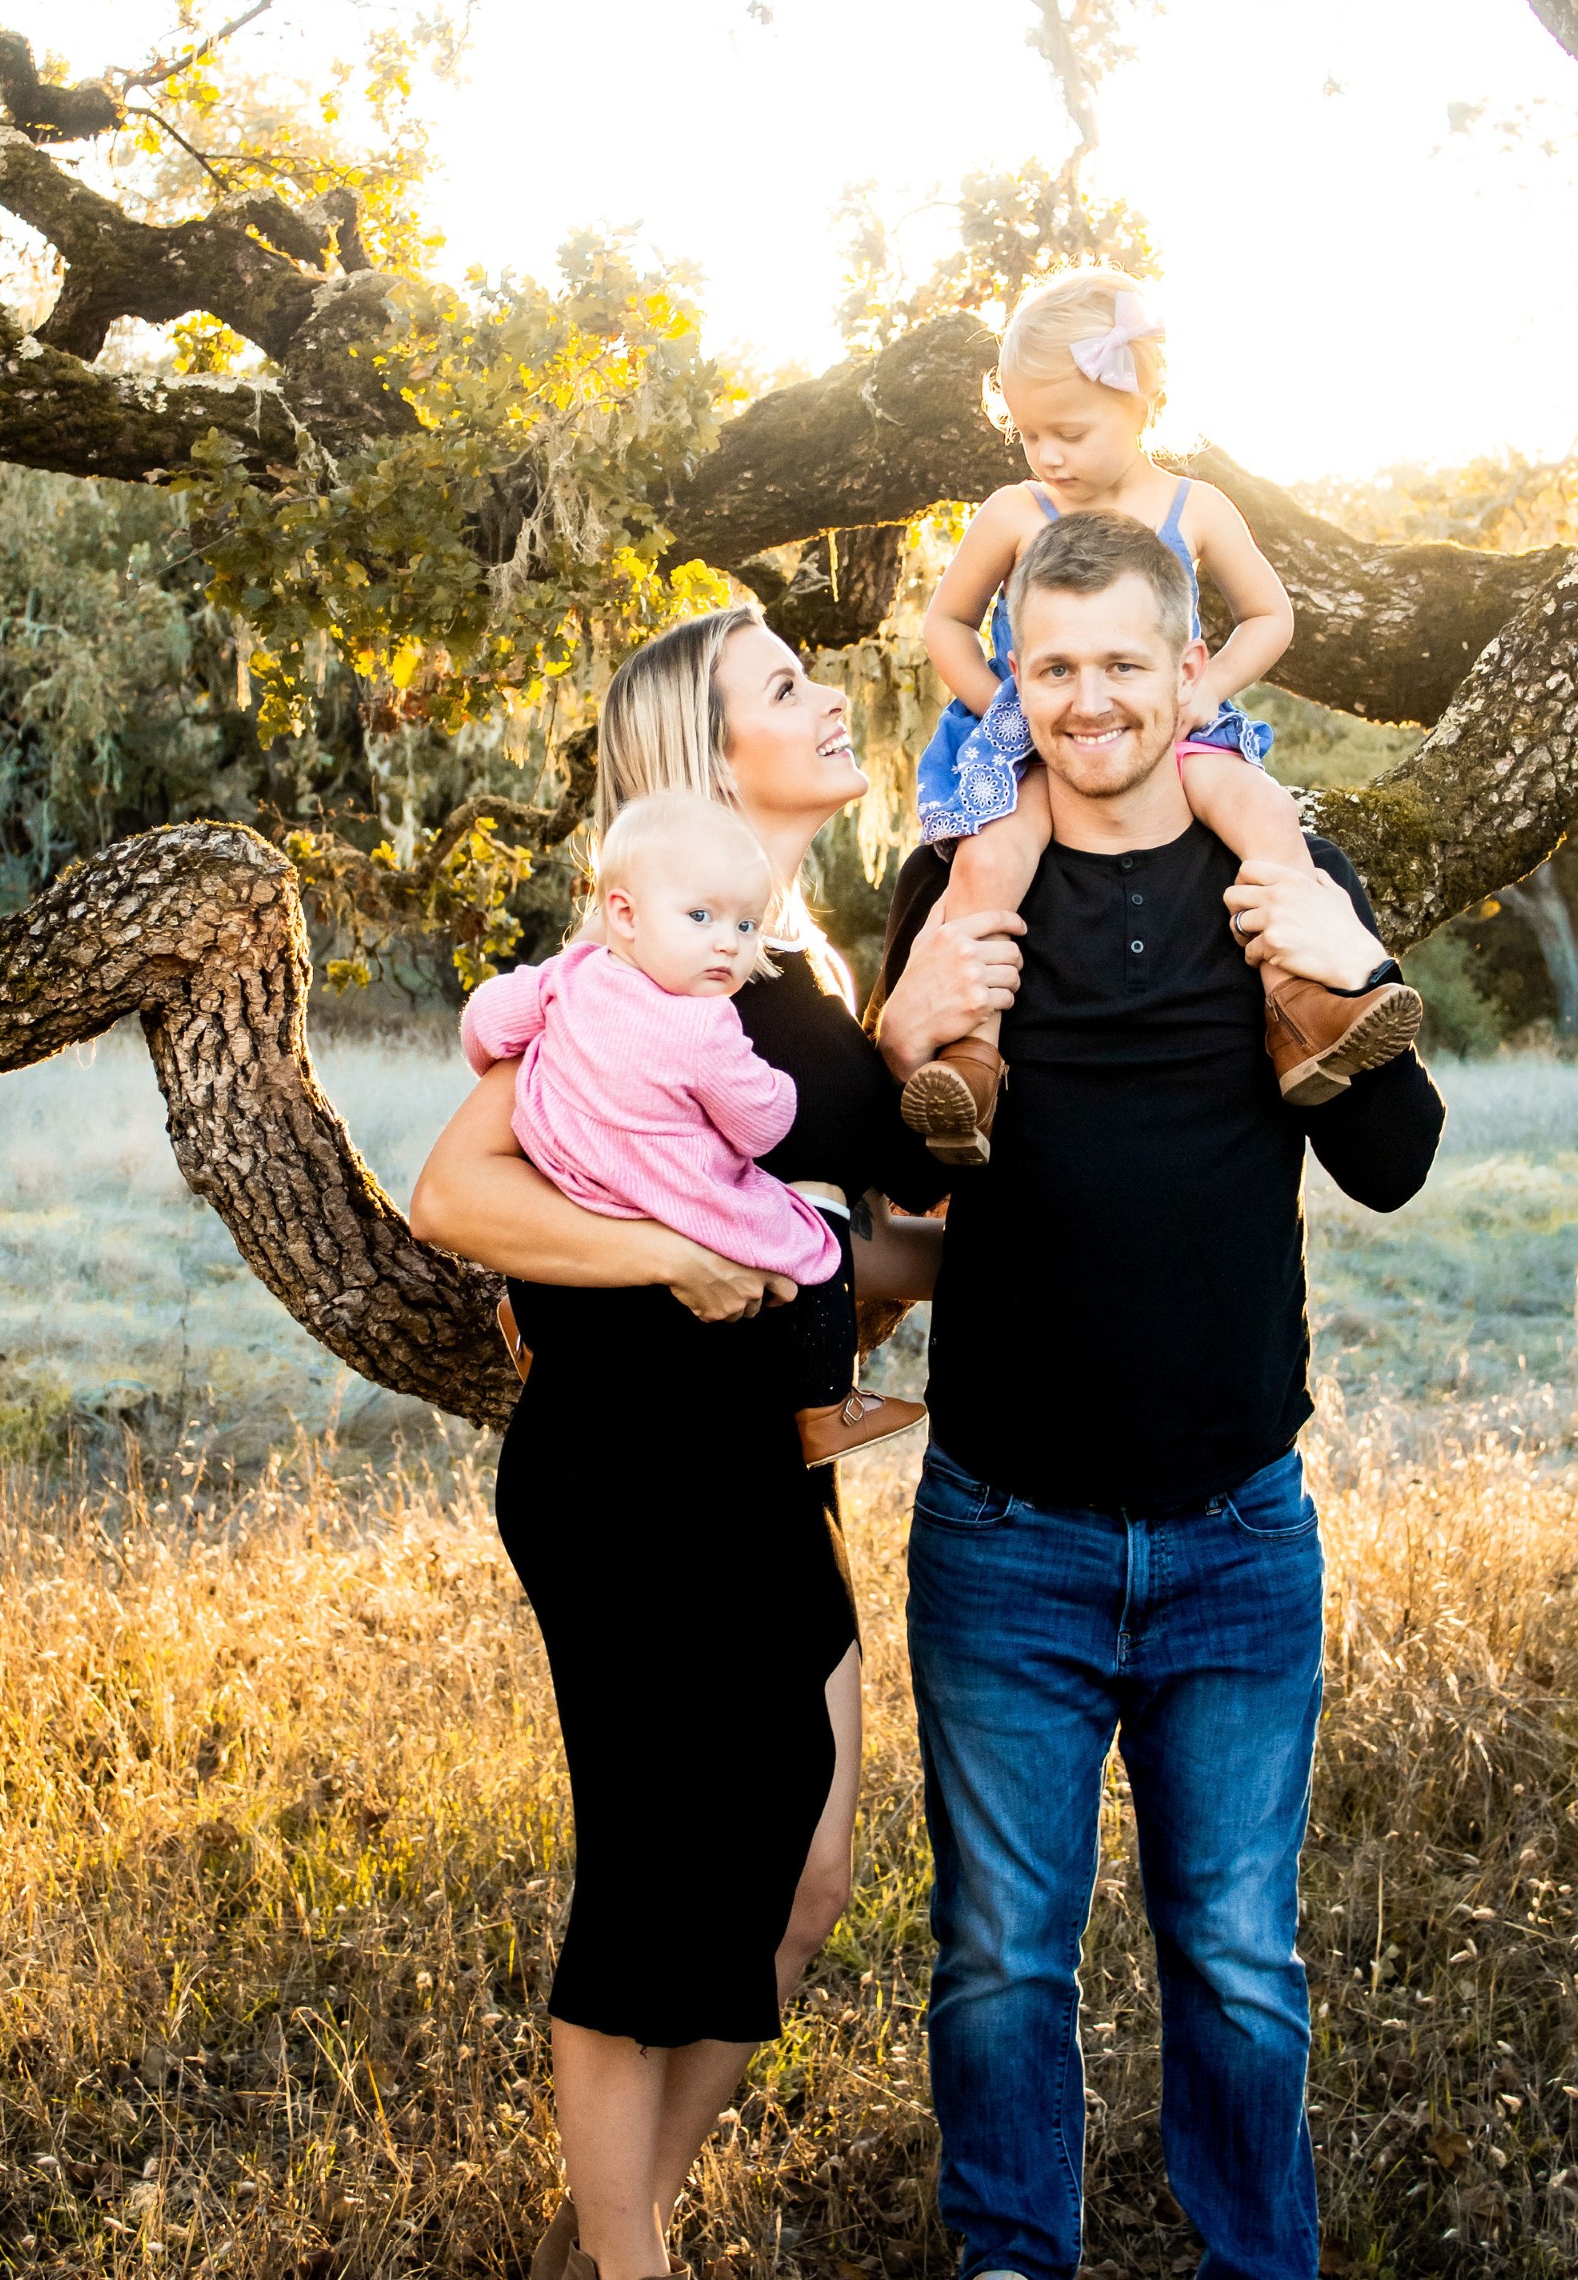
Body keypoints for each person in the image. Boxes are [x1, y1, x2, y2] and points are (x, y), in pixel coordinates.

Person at [875, 508, 1446, 2280]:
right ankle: (1010, 2260)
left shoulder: (1282, 870)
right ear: (1013, 680)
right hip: (1005, 1530)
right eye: (1053, 667)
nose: (1090, 699)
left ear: (1192, 669)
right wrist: (905, 1025)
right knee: (999, 1961)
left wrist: (1343, 960)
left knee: (1239, 1960)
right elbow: (887, 1187)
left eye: (1126, 661)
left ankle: (1257, 2264)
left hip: (1233, 1534)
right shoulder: (954, 881)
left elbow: (1394, 1164)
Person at [412, 605, 1010, 2280]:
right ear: (704, 753)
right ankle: (632, 2262)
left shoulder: (787, 969)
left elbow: (830, 1235)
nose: (828, 700)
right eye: (784, 686)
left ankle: (613, 2236)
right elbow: (455, 1192)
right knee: (660, 1888)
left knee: (804, 1878)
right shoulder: (629, 977)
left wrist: (1014, 1247)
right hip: (631, 1472)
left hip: (768, 1469)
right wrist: (671, 1257)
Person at [903, 267, 1422, 1160]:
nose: (1047, 456)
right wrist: (1008, 708)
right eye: (1028, 434)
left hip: (1176, 723)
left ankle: (1300, 1004)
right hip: (1029, 739)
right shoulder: (1014, 512)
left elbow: (1270, 615)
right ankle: (970, 1058)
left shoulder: (1196, 507)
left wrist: (1208, 691)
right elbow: (946, 623)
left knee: (1263, 814)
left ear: (1141, 402)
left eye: (1069, 432)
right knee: (989, 861)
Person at [460, 790, 925, 1468]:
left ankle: (528, 1318)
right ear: (624, 914)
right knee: (814, 1220)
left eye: (746, 926)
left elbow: (485, 1025)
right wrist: (783, 1090)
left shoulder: (569, 978)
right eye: (701, 918)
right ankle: (828, 1406)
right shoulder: (705, 1023)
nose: (726, 943)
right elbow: (761, 1126)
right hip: (664, 1196)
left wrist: (541, 1069)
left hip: (567, 1183)